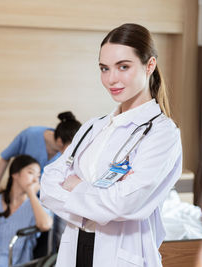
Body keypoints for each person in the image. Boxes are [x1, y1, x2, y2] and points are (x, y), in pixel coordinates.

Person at [40, 23, 182, 267]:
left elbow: (123, 204)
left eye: (123, 67)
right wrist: (98, 197)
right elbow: (48, 184)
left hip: (121, 255)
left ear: (150, 65)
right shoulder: (92, 127)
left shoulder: (162, 133)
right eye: (104, 68)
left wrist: (77, 186)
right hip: (75, 248)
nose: (111, 79)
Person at [0, 111, 82, 196]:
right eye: (71, 147)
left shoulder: (65, 153)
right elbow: (5, 157)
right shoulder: (29, 135)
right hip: (22, 194)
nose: (72, 152)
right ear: (60, 141)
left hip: (46, 197)